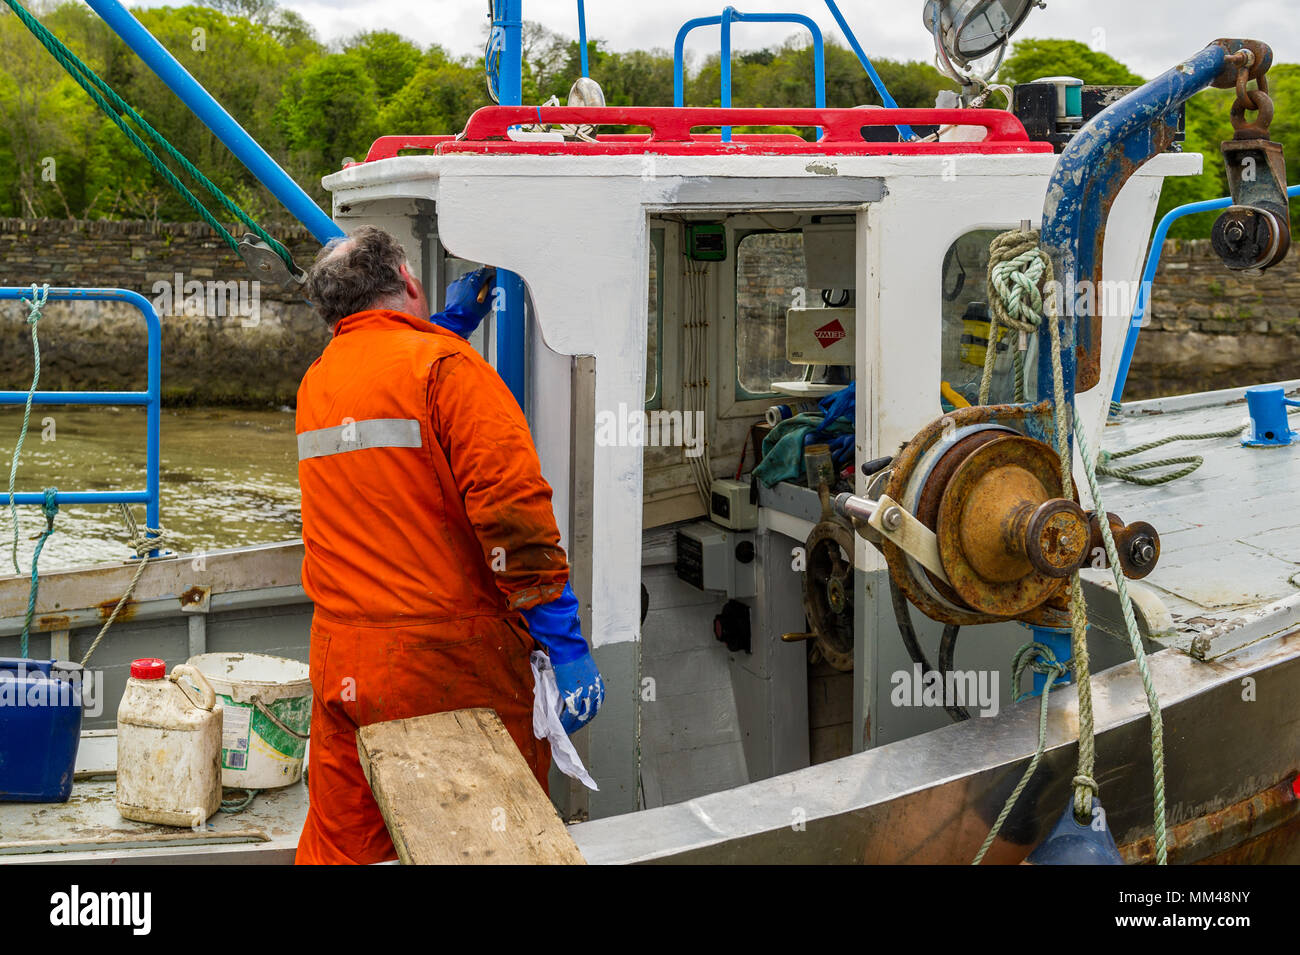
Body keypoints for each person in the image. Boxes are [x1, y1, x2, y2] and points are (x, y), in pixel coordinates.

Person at [293, 225, 604, 865]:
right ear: (407, 280)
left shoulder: (319, 382)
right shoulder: (450, 372)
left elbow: (389, 391)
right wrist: (564, 641)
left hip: (342, 659)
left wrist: (445, 326)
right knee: (489, 843)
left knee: (346, 845)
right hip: (444, 666)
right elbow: (513, 516)